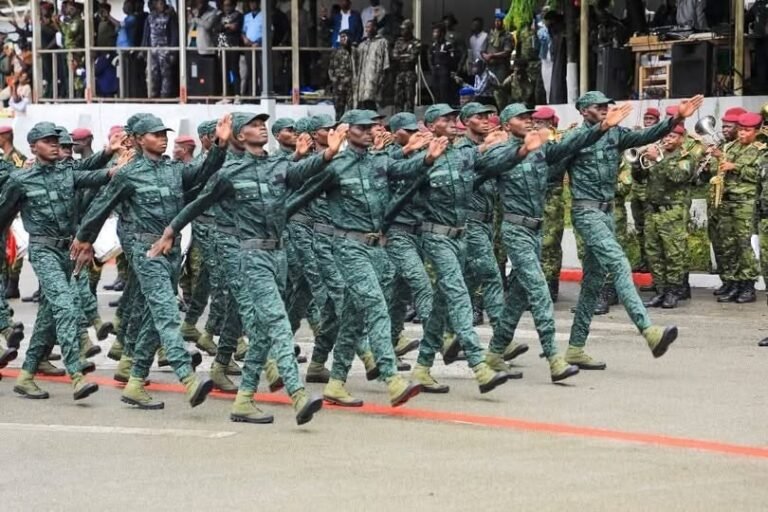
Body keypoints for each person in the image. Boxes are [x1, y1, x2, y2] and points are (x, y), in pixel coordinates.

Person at [147, 112, 343, 424]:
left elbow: (301, 170)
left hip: (278, 254)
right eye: (252, 125)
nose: (261, 127)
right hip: (251, 256)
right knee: (277, 321)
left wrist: (329, 153)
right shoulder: (230, 172)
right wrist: (171, 231)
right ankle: (297, 394)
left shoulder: (277, 165)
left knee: (264, 332)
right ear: (239, 136)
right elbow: (198, 203)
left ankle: (244, 399)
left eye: (262, 123)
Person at [71, 113, 232, 410]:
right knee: (166, 312)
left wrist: (220, 145)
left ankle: (134, 383)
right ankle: (188, 378)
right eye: (155, 134)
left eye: (164, 133)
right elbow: (101, 206)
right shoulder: (128, 173)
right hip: (145, 251)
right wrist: (84, 238)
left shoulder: (174, 170)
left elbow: (203, 171)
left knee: (150, 318)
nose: (162, 137)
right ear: (138, 139)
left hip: (170, 250)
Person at [484, 101, 632, 381]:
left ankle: (494, 352)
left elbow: (570, 146)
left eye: (530, 116)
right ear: (505, 125)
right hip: (515, 230)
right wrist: (516, 150)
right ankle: (554, 359)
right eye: (521, 117)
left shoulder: (542, 150)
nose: (529, 120)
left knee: (517, 295)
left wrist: (601, 127)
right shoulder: (500, 152)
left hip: (536, 231)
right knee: (539, 292)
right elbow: (484, 168)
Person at [563, 91, 703, 370]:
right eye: (598, 106)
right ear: (582, 111)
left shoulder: (616, 135)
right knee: (618, 263)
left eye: (607, 105)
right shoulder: (573, 138)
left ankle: (575, 348)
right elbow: (558, 161)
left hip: (606, 212)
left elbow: (646, 136)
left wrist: (675, 117)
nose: (605, 109)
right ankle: (648, 331)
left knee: (592, 282)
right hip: (585, 211)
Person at [0, 122, 125, 401]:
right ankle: (77, 376)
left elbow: (96, 173)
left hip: (67, 252)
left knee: (47, 319)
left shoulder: (66, 172)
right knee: (67, 308)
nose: (56, 144)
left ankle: (26, 375)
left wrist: (112, 158)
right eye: (48, 141)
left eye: (57, 140)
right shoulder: (21, 180)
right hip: (43, 252)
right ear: (33, 146)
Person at [708, 112, 763, 304]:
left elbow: (758, 175)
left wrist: (735, 167)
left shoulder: (761, 150)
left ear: (756, 131)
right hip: (726, 202)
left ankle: (748, 286)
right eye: (740, 130)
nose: (742, 134)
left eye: (747, 131)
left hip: (745, 204)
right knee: (728, 244)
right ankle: (733, 283)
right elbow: (721, 169)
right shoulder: (729, 146)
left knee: (745, 245)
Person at [641, 124, 695, 309]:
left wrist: (658, 159)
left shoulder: (685, 157)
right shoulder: (656, 155)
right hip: (653, 211)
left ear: (681, 139)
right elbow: (639, 177)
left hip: (673, 212)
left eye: (672, 136)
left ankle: (673, 292)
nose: (667, 139)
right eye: (666, 136)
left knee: (674, 254)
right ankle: (660, 290)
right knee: (654, 254)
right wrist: (638, 162)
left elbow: (679, 176)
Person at [708, 107, 746, 298]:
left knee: (738, 246)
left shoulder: (747, 147)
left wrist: (722, 158)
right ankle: (728, 281)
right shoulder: (724, 147)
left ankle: (741, 283)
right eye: (723, 126)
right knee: (721, 245)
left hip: (738, 204)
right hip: (718, 205)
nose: (723, 130)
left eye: (728, 126)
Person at [629, 107, 662, 274]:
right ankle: (644, 260)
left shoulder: (660, 138)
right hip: (637, 190)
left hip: (651, 191)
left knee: (651, 230)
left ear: (657, 120)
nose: (648, 121)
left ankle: (652, 262)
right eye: (646, 118)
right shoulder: (639, 136)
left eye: (651, 119)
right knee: (640, 228)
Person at [143, 0, 179, 99]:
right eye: (159, 3)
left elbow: (174, 34)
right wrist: (144, 50)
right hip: (152, 50)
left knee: (166, 75)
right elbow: (146, 34)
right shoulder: (150, 17)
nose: (161, 5)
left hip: (165, 50)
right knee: (151, 74)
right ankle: (152, 96)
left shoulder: (169, 17)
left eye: (163, 3)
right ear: (155, 4)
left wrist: (173, 52)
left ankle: (165, 96)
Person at [353, 21, 389, 111]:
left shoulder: (382, 42)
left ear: (375, 28)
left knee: (371, 102)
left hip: (374, 77)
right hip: (362, 80)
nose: (367, 30)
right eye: (366, 27)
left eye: (369, 27)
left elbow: (386, 62)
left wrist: (383, 78)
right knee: (362, 103)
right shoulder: (362, 44)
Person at [483, 12, 513, 109]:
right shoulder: (490, 34)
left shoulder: (507, 35)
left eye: (499, 21)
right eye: (496, 21)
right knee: (488, 89)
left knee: (500, 89)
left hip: (501, 66)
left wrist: (492, 55)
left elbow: (507, 52)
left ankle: (501, 109)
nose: (497, 23)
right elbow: (482, 50)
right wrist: (485, 56)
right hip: (489, 66)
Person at [392, 19, 421, 113]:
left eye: (404, 29)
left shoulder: (416, 42)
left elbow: (412, 58)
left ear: (410, 29)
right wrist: (404, 55)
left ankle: (409, 124)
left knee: (409, 100)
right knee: (398, 101)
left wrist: (401, 56)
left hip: (410, 73)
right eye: (401, 29)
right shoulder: (398, 41)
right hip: (399, 73)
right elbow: (394, 56)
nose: (402, 31)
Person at [218, 0, 243, 97]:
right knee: (224, 71)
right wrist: (227, 26)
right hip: (222, 47)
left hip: (233, 46)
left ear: (234, 5)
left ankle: (237, 94)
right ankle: (226, 94)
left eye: (228, 5)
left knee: (234, 70)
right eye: (224, 6)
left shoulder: (238, 15)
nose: (226, 8)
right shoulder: (220, 16)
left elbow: (236, 28)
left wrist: (225, 27)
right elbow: (217, 28)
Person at [328, 30, 355, 119]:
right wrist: (333, 79)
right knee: (339, 109)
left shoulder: (355, 52)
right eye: (341, 37)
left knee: (351, 109)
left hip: (351, 85)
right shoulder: (336, 52)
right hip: (338, 85)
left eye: (344, 37)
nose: (342, 39)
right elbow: (331, 68)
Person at [429, 23, 458, 105]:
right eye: (433, 32)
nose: (434, 34)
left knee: (444, 92)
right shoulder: (434, 45)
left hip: (444, 71)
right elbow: (431, 57)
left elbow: (453, 59)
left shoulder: (448, 45)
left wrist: (452, 70)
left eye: (436, 32)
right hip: (435, 71)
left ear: (442, 33)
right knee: (435, 90)